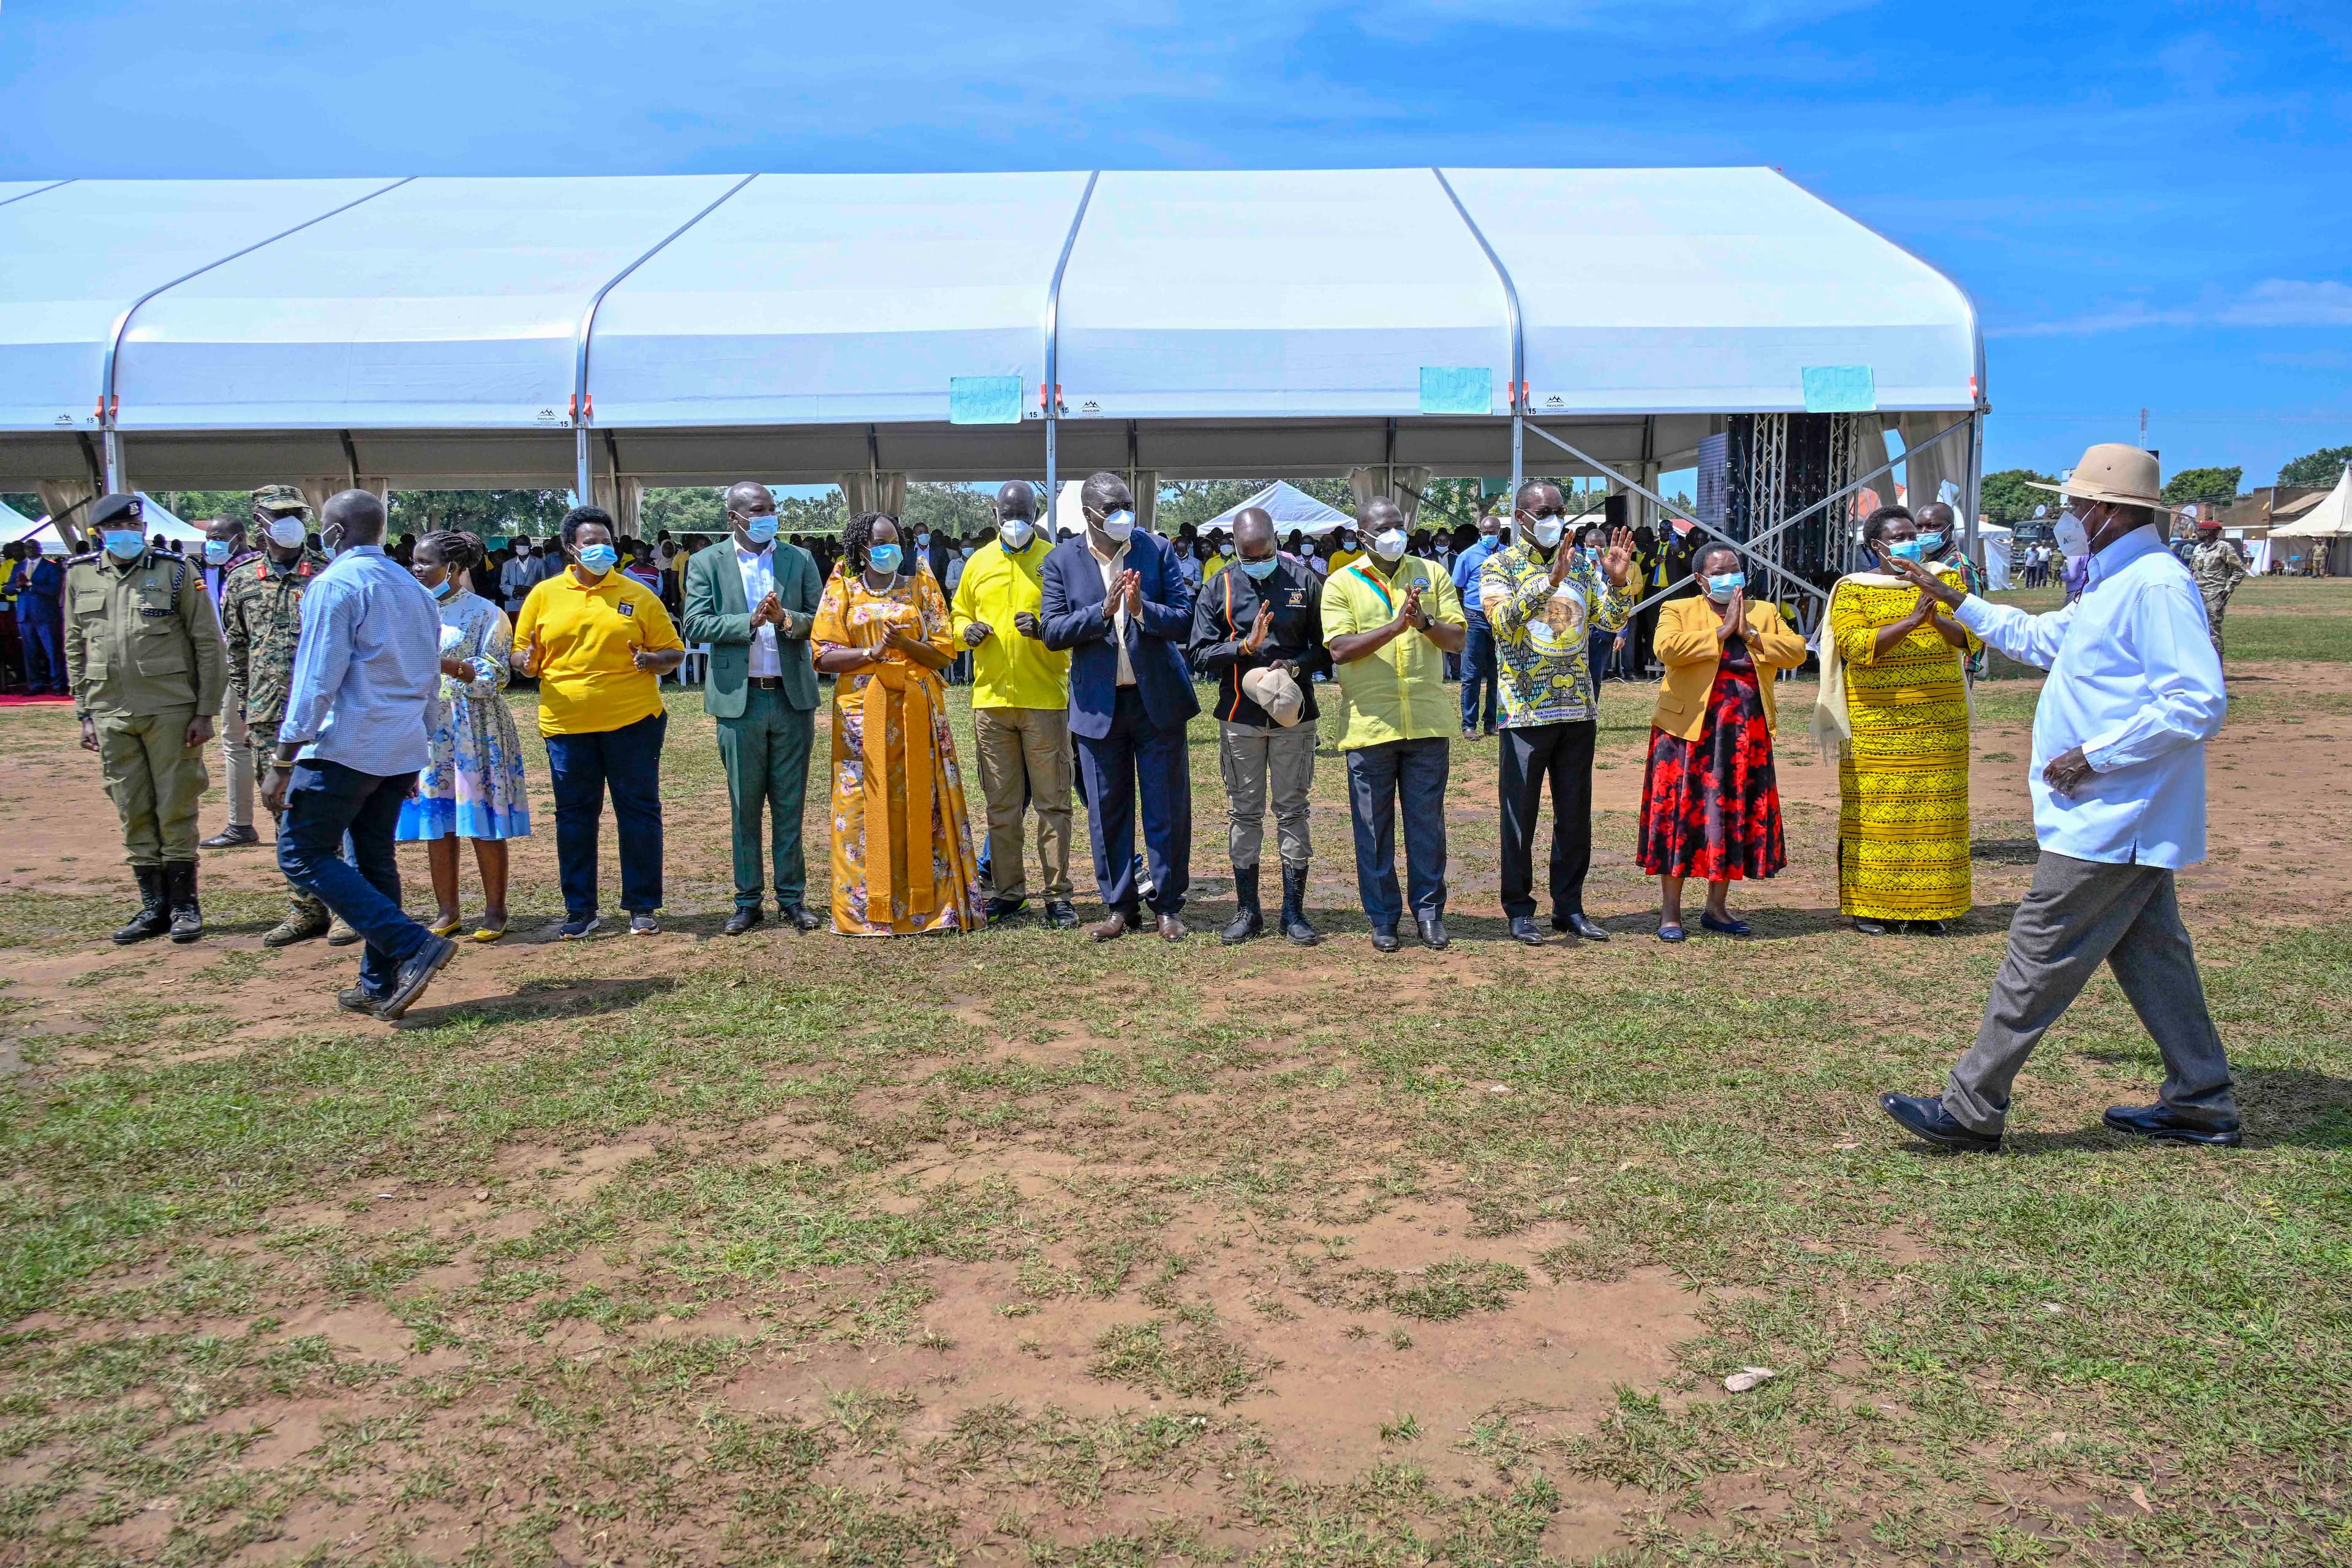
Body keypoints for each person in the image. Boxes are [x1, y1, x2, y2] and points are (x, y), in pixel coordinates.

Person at [1876, 443, 2240, 1150]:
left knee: (2038, 951)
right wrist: (1954, 596)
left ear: (2107, 510)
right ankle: (2202, 1097)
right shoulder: (2113, 578)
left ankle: (1971, 1107)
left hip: (2116, 810)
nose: (2067, 516)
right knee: (2154, 955)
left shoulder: (2155, 585)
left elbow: (2198, 701)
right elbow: (2043, 639)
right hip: (2113, 812)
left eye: (2076, 505)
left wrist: (2096, 755)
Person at [260, 490, 457, 1020]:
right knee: (374, 859)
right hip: (397, 745)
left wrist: (283, 759)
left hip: (346, 745)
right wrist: (418, 747)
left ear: (337, 532)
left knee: (301, 854)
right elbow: (427, 677)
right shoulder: (413, 589)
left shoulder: (336, 584)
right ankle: (378, 982)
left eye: (323, 526)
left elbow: (316, 679)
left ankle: (412, 944)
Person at [511, 505, 685, 938]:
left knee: (639, 812)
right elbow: (521, 656)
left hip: (633, 720)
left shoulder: (638, 594)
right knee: (574, 816)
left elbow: (673, 653)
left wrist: (651, 660)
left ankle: (642, 906)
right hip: (567, 725)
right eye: (591, 543)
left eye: (607, 542)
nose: (601, 549)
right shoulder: (544, 595)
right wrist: (526, 662)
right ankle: (580, 910)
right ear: (571, 549)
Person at [63, 495, 227, 944]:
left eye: (132, 525)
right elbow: (75, 644)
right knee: (131, 808)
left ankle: (184, 906)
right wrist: (85, 713)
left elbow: (208, 644)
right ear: (98, 533)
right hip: (109, 711)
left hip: (170, 710)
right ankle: (153, 907)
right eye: (115, 526)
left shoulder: (175, 572)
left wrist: (205, 710)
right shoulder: (80, 575)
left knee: (175, 806)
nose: (126, 533)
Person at [1042, 472, 1199, 942]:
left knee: (1166, 807)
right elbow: (1052, 631)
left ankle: (1168, 906)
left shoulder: (1157, 550)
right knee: (1106, 809)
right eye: (1113, 509)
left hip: (1157, 704)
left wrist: (1141, 609)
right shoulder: (1060, 562)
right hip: (1098, 708)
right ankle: (1120, 907)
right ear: (1088, 514)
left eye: (1127, 506)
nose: (1123, 517)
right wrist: (1103, 613)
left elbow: (1185, 618)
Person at [811, 511, 984, 935]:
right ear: (862, 548)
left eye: (896, 540)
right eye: (881, 542)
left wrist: (905, 644)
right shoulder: (843, 589)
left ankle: (928, 906)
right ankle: (867, 909)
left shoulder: (921, 586)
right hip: (859, 714)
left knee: (920, 802)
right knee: (860, 805)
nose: (891, 549)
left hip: (916, 708)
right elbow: (822, 654)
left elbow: (944, 652)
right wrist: (872, 654)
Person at [1482, 483, 1637, 945]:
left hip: (1577, 709)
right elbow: (1501, 623)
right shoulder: (1500, 566)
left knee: (1574, 815)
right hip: (1526, 711)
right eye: (1543, 511)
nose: (1553, 518)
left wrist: (1618, 581)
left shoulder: (1585, 565)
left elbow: (1610, 622)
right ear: (1521, 516)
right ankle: (1519, 908)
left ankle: (1569, 907)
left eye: (1559, 511)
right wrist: (1548, 581)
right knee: (1520, 815)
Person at [1815, 505, 1980, 937]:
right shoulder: (1853, 590)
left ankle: (1932, 908)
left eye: (1915, 534)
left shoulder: (1945, 579)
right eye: (1901, 535)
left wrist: (1936, 617)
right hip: (1877, 724)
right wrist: (1911, 622)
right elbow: (1855, 646)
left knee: (1935, 816)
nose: (1912, 541)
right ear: (1877, 546)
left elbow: (1973, 639)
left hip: (1940, 723)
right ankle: (1873, 908)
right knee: (1877, 816)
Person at [1637, 545, 1806, 941]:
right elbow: (1667, 650)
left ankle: (1717, 908)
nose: (1730, 577)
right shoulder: (1678, 610)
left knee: (1730, 818)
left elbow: (1797, 652)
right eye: (1720, 571)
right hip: (1686, 737)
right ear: (1700, 579)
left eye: (1735, 569)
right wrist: (1721, 632)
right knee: (1680, 820)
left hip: (1744, 738)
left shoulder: (1764, 612)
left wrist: (1748, 632)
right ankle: (1671, 912)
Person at [681, 481, 826, 936]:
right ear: (734, 517)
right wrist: (750, 621)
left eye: (772, 509)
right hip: (739, 700)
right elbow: (695, 621)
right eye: (758, 510)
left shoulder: (797, 559)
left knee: (790, 803)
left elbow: (822, 618)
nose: (768, 516)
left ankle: (792, 899)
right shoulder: (708, 562)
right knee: (745, 805)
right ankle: (747, 900)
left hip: (790, 697)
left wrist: (786, 620)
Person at [1324, 497, 1466, 951]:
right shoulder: (1341, 583)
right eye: (1383, 528)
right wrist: (1394, 627)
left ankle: (1429, 914)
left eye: (1399, 526)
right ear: (1361, 534)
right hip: (1371, 725)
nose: (1393, 534)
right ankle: (1383, 918)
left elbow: (1458, 639)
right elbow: (1340, 648)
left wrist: (1423, 622)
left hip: (1425, 723)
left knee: (1427, 826)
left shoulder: (1433, 574)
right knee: (1372, 829)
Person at [1188, 505, 1332, 945]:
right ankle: (1248, 910)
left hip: (1294, 718)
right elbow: (1198, 653)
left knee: (1293, 811)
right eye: (1247, 557)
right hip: (1240, 718)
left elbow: (1327, 647)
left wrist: (1294, 664)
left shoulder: (1304, 582)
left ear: (1276, 542)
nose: (1256, 562)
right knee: (1244, 814)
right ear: (1235, 548)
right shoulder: (1220, 586)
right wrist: (1242, 648)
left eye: (1263, 553)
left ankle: (1293, 912)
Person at [951, 481, 1077, 928]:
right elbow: (958, 613)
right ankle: (1009, 894)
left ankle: (1058, 896)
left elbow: (1076, 625)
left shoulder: (1059, 560)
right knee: (1001, 807)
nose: (1015, 523)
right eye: (1007, 515)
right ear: (993, 513)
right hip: (991, 704)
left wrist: (1045, 628)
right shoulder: (978, 563)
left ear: (1037, 511)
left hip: (1044, 700)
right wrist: (962, 632)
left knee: (1053, 805)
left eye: (1023, 513)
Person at [396, 531, 529, 941]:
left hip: (475, 727)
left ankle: (495, 910)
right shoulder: (407, 609)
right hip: (426, 727)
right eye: (413, 562)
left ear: (452, 568)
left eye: (425, 562)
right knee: (437, 821)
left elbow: (497, 675)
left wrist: (447, 666)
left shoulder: (486, 614)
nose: (416, 569)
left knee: (482, 819)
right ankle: (447, 910)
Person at [219, 497, 336, 946]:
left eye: (297, 516)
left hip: (326, 713)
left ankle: (347, 907)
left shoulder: (329, 573)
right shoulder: (243, 579)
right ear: (259, 522)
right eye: (278, 515)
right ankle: (305, 908)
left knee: (337, 806)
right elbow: (238, 650)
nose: (288, 523)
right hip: (271, 714)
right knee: (283, 811)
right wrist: (248, 708)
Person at [192, 510, 265, 848]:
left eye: (219, 538)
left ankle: (246, 824)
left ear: (240, 537)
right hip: (225, 662)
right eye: (209, 538)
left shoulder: (251, 572)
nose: (212, 544)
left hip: (253, 665)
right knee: (237, 744)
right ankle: (242, 824)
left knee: (244, 743)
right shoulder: (207, 571)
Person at [1451, 513, 1506, 739]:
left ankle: (1491, 723)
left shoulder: (1508, 555)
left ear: (1500, 533)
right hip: (1474, 618)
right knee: (1471, 674)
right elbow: (1457, 587)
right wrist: (1462, 614)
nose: (1489, 536)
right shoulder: (1468, 556)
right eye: (1485, 532)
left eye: (1492, 532)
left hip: (1501, 620)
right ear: (1480, 532)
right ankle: (1469, 725)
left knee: (1498, 673)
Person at [2189, 518, 2248, 656]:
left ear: (2208, 532)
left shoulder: (2224, 548)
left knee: (2213, 631)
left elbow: (2239, 571)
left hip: (2214, 596)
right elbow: (2193, 570)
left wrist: (2226, 591)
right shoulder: (2198, 549)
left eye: (2200, 531)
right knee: (2196, 630)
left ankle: (2217, 668)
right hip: (2197, 595)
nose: (2197, 533)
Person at [15, 535, 66, 696]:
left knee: (52, 651)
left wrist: (30, 584)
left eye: (33, 547)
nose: (30, 550)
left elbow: (53, 590)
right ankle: (35, 685)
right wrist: (17, 586)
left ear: (40, 549)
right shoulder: (19, 567)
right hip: (25, 616)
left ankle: (58, 685)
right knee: (30, 653)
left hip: (46, 616)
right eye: (27, 548)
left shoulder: (51, 567)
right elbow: (8, 588)